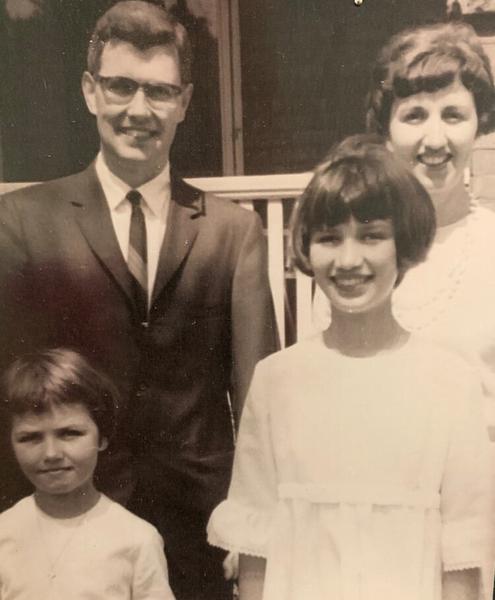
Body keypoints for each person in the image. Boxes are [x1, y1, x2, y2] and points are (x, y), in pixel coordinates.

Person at [0, 2, 278, 599]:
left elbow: (262, 403)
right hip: (64, 526)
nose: (138, 109)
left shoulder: (232, 232)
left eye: (158, 91)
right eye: (121, 86)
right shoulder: (23, 222)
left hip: (201, 529)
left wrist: (250, 525)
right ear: (89, 91)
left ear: (184, 101)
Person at [207, 136, 494, 600]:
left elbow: (462, 555)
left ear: (404, 246)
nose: (348, 260)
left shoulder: (449, 382)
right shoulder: (277, 381)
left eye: (372, 236)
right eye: (328, 238)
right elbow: (255, 549)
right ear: (307, 250)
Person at [314, 22, 495, 439]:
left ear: (478, 124)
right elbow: (319, 389)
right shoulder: (352, 255)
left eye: (453, 115)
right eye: (414, 115)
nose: (435, 139)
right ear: (387, 132)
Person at [0, 347, 175, 600]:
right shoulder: (5, 532)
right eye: (30, 438)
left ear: (102, 437)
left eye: (69, 433)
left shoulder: (137, 539)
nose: (51, 453)